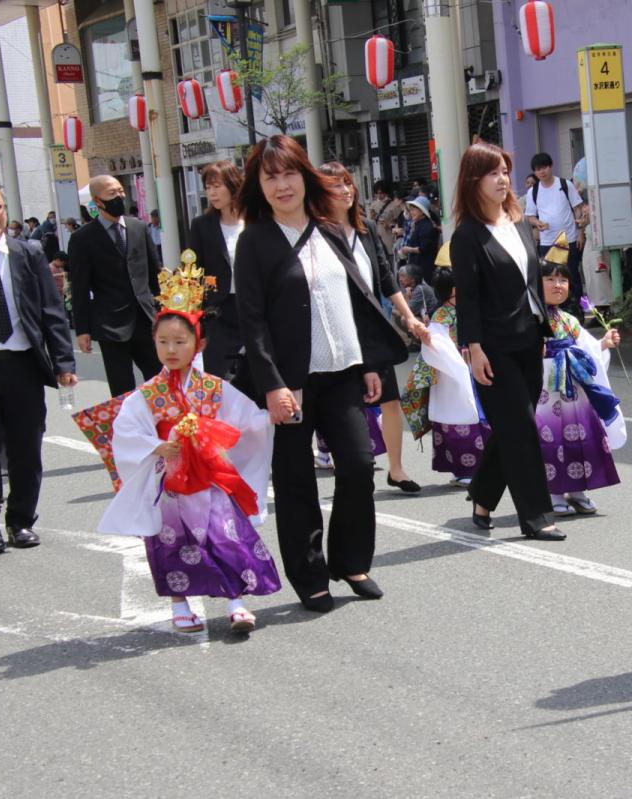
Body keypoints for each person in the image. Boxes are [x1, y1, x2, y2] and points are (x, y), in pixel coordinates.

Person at [234, 135, 408, 612]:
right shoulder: (255, 241)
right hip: (291, 384)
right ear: (258, 186)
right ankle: (310, 575)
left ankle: (350, 561)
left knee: (358, 465)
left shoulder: (330, 230)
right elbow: (252, 320)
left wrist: (369, 363)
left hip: (344, 371)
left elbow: (358, 300)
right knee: (296, 482)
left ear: (304, 176)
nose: (282, 185)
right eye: (271, 177)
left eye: (289, 173)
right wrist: (272, 384)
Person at [96, 264, 280, 633]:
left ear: (200, 344)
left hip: (210, 477)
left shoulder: (213, 387)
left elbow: (245, 420)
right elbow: (126, 432)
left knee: (226, 536)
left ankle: (235, 601)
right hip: (169, 482)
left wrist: (269, 418)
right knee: (171, 542)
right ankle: (180, 604)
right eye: (163, 341)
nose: (171, 349)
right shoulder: (148, 394)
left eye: (180, 342)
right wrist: (156, 446)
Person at [451, 141, 566, 541]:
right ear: (473, 180)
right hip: (493, 346)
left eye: (504, 171)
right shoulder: (466, 236)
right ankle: (536, 516)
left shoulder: (518, 223)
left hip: (529, 337)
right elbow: (468, 298)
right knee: (521, 428)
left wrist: (544, 328)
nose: (502, 180)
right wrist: (474, 348)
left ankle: (483, 494)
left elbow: (531, 282)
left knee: (513, 425)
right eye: (492, 173)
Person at [0, 178, 77, 553]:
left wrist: (63, 361)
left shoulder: (28, 254)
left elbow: (51, 311)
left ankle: (21, 520)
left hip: (23, 365)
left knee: (26, 446)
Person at [320, 160, 430, 492]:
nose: (345, 190)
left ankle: (397, 468)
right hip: (339, 329)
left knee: (390, 400)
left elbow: (385, 278)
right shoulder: (318, 233)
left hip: (372, 326)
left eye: (347, 183)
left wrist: (409, 317)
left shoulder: (365, 228)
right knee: (348, 402)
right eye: (335, 186)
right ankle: (348, 463)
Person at [536, 258, 626, 517]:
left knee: (578, 436)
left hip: (574, 388)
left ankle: (577, 490)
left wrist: (604, 343)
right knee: (550, 438)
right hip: (545, 389)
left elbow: (588, 349)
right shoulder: (531, 317)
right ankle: (554, 492)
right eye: (550, 279)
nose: (558, 285)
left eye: (563, 280)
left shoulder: (569, 320)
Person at [68, 174, 163, 397]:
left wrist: (162, 310)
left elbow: (155, 274)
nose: (120, 196)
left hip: (145, 318)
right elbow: (80, 287)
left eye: (121, 191)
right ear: (97, 201)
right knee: (122, 390)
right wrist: (82, 329)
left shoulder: (138, 227)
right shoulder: (83, 238)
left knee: (160, 382)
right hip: (110, 325)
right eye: (112, 193)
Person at [400, 267, 491, 489]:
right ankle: (463, 470)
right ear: (451, 290)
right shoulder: (441, 315)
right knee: (458, 422)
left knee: (479, 418)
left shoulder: (465, 309)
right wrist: (457, 357)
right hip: (452, 373)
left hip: (470, 368)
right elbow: (437, 345)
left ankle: (481, 468)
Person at [189, 160, 246, 378]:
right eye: (208, 187)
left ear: (233, 185)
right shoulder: (202, 225)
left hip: (251, 306)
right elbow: (194, 270)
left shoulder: (254, 221)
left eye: (217, 186)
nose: (212, 193)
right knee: (219, 377)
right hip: (218, 311)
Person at [524, 152, 587, 313]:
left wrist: (580, 232)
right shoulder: (533, 191)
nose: (541, 172)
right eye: (537, 169)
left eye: (544, 167)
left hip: (569, 239)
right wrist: (537, 223)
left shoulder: (565, 185)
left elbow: (578, 209)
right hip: (547, 242)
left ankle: (577, 310)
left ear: (551, 166)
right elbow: (530, 216)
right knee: (550, 278)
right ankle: (555, 312)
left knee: (572, 275)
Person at [400, 196, 439, 285]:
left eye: (414, 210)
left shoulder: (426, 226)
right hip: (418, 269)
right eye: (411, 210)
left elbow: (424, 248)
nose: (411, 212)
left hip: (424, 269)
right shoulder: (419, 224)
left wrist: (408, 249)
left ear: (422, 211)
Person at [367, 180, 404, 259]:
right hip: (377, 237)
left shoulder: (393, 205)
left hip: (389, 238)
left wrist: (389, 225)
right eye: (377, 193)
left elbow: (401, 223)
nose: (379, 195)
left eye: (381, 193)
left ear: (386, 192)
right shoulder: (373, 205)